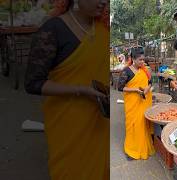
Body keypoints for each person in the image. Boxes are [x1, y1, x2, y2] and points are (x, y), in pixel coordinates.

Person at [24, 0, 109, 179]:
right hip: (67, 122)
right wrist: (80, 90)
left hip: (100, 121)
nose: (104, 2)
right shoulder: (53, 29)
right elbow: (33, 83)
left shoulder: (103, 29)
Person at [117, 46, 155, 160]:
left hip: (144, 101)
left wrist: (147, 89)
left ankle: (143, 147)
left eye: (143, 59)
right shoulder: (126, 71)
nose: (142, 62)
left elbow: (150, 82)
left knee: (143, 124)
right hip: (132, 103)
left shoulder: (145, 69)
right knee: (133, 125)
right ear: (133, 59)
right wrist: (135, 90)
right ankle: (131, 150)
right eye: (140, 60)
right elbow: (120, 88)